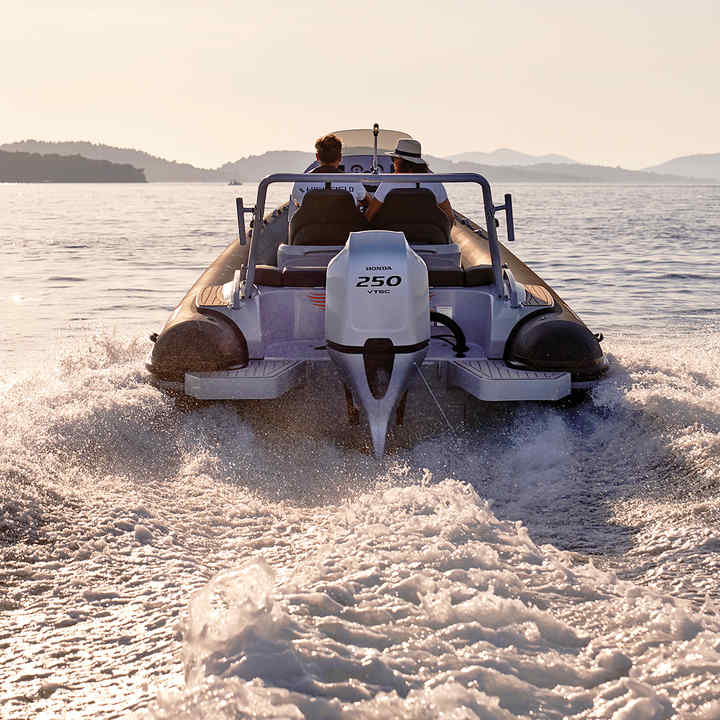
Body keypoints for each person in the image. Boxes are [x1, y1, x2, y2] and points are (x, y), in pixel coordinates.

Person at [365, 138, 454, 227]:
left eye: (394, 159)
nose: (393, 163)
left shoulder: (389, 182)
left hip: (395, 235)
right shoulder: (434, 182)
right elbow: (449, 217)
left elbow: (370, 214)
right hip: (428, 235)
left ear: (400, 162)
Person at [288, 134, 369, 221]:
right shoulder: (353, 182)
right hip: (345, 233)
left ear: (317, 157)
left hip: (310, 233)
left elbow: (298, 207)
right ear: (340, 157)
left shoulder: (301, 182)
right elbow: (368, 203)